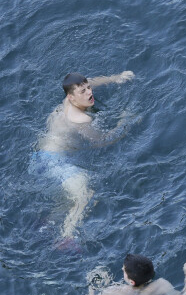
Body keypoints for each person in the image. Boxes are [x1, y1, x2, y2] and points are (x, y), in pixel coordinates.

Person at [31, 70, 134, 239]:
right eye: (83, 91)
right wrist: (125, 122)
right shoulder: (80, 119)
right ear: (72, 97)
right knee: (85, 196)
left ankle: (47, 223)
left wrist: (116, 78)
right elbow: (103, 140)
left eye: (88, 88)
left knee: (68, 200)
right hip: (55, 163)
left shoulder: (67, 100)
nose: (89, 92)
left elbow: (92, 81)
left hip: (39, 158)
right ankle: (67, 237)